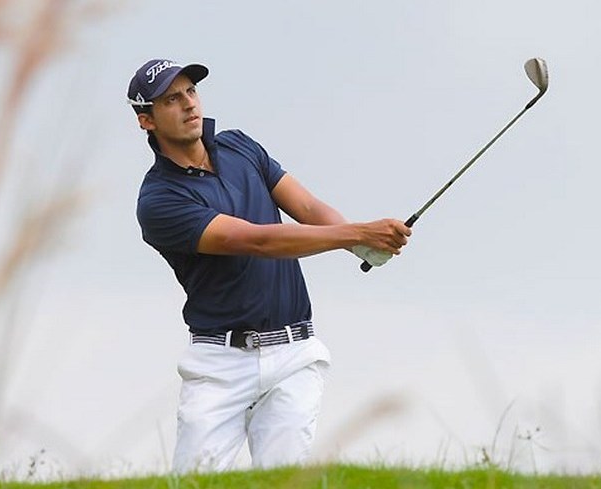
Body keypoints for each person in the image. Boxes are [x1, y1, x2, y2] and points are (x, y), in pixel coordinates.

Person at [128, 58, 411, 473]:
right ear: (146, 120)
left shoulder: (241, 146)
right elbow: (257, 241)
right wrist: (358, 235)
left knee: (283, 480)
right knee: (194, 483)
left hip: (294, 354)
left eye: (191, 91)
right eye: (172, 99)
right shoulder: (159, 200)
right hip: (218, 363)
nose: (189, 104)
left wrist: (363, 246)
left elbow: (308, 206)